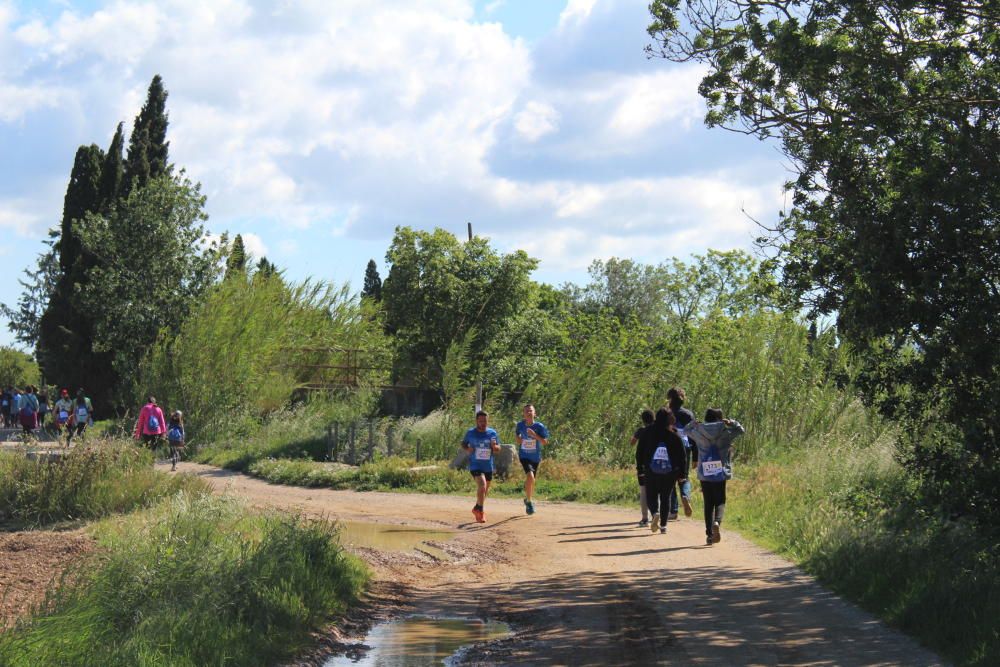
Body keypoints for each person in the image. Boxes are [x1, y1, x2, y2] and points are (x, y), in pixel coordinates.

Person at [686, 408, 745, 545]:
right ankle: (717, 522)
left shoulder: (699, 431)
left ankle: (709, 535)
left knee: (708, 502)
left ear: (706, 418)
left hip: (704, 472)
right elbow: (741, 430)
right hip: (720, 471)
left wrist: (694, 423)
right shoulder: (725, 431)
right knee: (720, 500)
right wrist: (731, 422)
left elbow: (685, 430)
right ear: (720, 418)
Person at [637, 407, 687, 534]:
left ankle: (654, 513)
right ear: (670, 419)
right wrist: (682, 474)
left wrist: (640, 469)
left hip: (650, 469)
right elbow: (682, 456)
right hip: (670, 472)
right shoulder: (674, 434)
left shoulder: (647, 432)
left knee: (651, 496)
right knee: (666, 497)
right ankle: (663, 526)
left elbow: (639, 451)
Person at [461, 410, 500, 523]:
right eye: (481, 421)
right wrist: (468, 449)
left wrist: (494, 447)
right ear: (477, 421)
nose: (483, 423)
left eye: (485, 421)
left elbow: (498, 449)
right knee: (482, 485)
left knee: (484, 491)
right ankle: (481, 512)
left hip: (488, 466)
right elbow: (463, 443)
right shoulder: (470, 432)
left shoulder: (492, 433)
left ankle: (476, 508)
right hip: (475, 465)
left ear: (488, 421)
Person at [667, 387, 696, 520]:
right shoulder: (688, 414)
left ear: (670, 399)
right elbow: (694, 436)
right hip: (685, 448)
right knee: (684, 477)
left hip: (669, 449)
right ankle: (685, 495)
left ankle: (673, 511)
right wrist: (696, 456)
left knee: (670, 479)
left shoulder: (665, 413)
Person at [515, 403, 549, 515]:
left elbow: (545, 442)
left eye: (531, 411)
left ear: (535, 413)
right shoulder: (520, 425)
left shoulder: (539, 427)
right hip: (524, 456)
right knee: (530, 475)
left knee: (532, 480)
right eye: (526, 411)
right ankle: (529, 502)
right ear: (523, 414)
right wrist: (519, 439)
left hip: (535, 458)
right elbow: (518, 439)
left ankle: (527, 498)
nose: (529, 413)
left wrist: (535, 435)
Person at [631, 409, 655, 527]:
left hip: (643, 465)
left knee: (644, 492)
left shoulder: (641, 431)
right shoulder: (657, 430)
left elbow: (632, 442)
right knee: (656, 491)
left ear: (643, 420)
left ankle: (645, 518)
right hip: (657, 464)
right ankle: (656, 513)